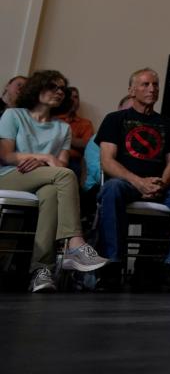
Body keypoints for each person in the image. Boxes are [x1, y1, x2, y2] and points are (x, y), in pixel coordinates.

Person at [96, 68, 170, 293]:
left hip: (161, 185)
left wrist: (162, 183)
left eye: (155, 85)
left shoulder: (168, 124)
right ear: (131, 90)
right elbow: (107, 162)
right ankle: (112, 264)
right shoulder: (115, 119)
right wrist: (138, 182)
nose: (152, 89)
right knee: (111, 189)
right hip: (126, 183)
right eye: (145, 84)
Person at [0, 70, 107, 292]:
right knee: (66, 176)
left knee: (50, 192)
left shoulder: (63, 128)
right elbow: (7, 156)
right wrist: (46, 158)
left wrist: (43, 165)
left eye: (62, 89)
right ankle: (75, 244)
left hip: (46, 179)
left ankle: (41, 271)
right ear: (37, 88)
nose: (59, 92)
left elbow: (62, 165)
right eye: (53, 86)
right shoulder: (14, 115)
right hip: (11, 176)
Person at [55, 86, 95, 184]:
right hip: (51, 156)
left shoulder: (85, 123)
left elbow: (87, 144)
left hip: (73, 161)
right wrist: (75, 141)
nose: (73, 99)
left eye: (76, 97)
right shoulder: (53, 119)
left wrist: (64, 137)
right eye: (70, 96)